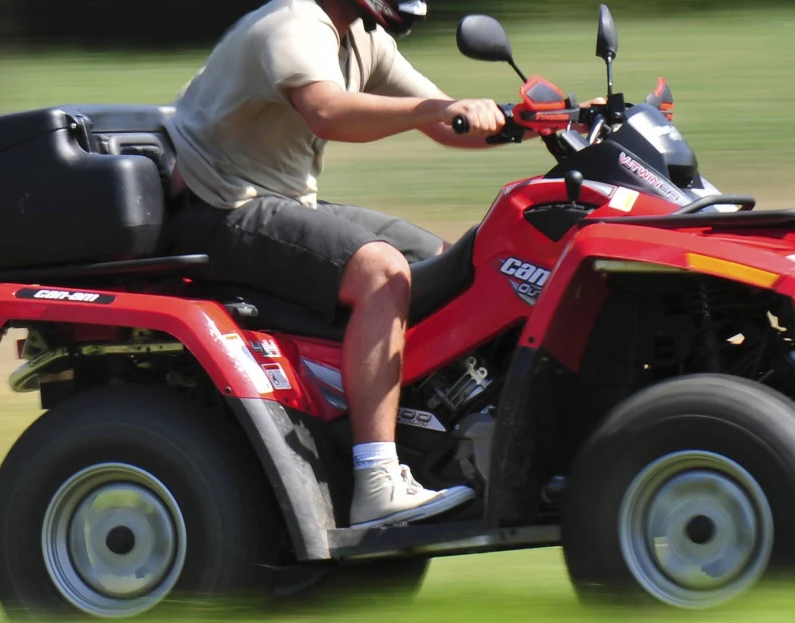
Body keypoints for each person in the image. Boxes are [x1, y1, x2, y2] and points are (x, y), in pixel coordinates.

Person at [165, 0, 595, 529]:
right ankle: (376, 481)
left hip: (281, 202)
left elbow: (448, 122)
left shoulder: (363, 39)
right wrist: (433, 111)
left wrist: (548, 120)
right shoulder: (293, 23)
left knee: (449, 263)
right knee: (382, 273)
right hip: (218, 207)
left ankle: (432, 430)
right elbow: (328, 111)